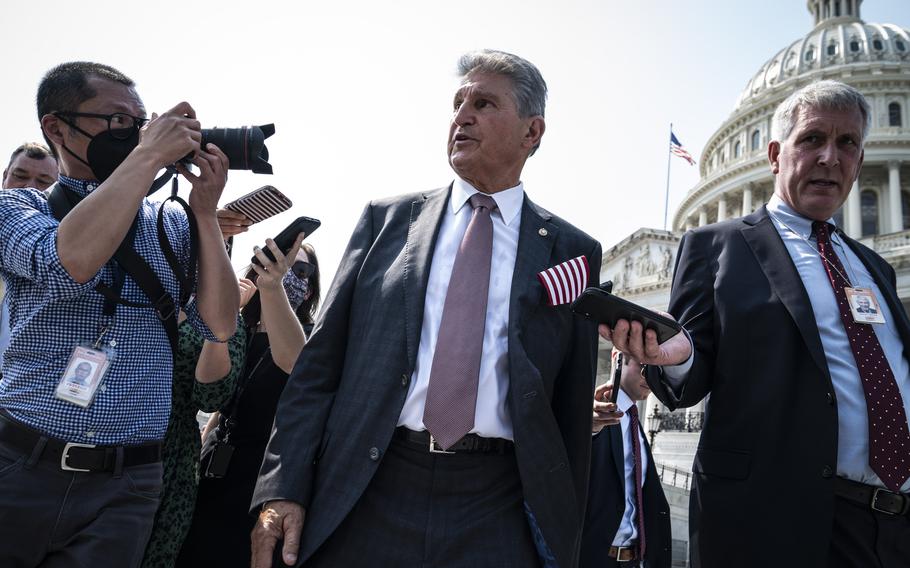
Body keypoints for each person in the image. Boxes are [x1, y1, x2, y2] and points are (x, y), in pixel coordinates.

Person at [250, 49, 602, 568]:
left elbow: (569, 410)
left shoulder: (572, 250)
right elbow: (316, 371)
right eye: (458, 103)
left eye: (484, 103)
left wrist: (565, 536)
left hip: (498, 505)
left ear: (532, 133)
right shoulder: (386, 222)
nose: (463, 116)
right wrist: (282, 485)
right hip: (370, 485)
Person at [607, 80, 910, 567]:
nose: (831, 157)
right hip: (773, 520)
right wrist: (678, 356)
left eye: (847, 143)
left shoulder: (875, 267)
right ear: (773, 154)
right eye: (812, 139)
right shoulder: (716, 246)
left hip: (892, 525)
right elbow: (689, 371)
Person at [0, 61, 238, 566]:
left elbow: (218, 325)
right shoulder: (20, 209)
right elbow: (69, 262)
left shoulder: (169, 224)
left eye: (139, 120)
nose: (131, 131)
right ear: (56, 127)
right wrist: (150, 155)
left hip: (128, 485)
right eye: (115, 120)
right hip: (20, 463)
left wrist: (204, 214)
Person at [176, 237, 320, 567]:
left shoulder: (312, 337)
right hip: (214, 467)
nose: (285, 273)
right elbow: (219, 402)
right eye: (278, 261)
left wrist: (273, 290)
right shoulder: (239, 329)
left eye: (299, 270)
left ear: (310, 289)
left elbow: (292, 361)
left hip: (262, 476)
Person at [140, 296, 250, 567]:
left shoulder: (227, 318)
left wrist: (219, 321)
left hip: (169, 455)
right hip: (105, 433)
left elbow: (211, 398)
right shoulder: (136, 287)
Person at [581, 350, 671, 568]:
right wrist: (586, 426)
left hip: (634, 561)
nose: (650, 378)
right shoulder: (592, 412)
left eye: (658, 370)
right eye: (643, 368)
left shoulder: (636, 424)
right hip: (594, 559)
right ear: (618, 359)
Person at [0, 142, 59, 366]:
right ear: (5, 175)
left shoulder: (62, 250)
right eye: (19, 175)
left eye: (43, 181)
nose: (29, 188)